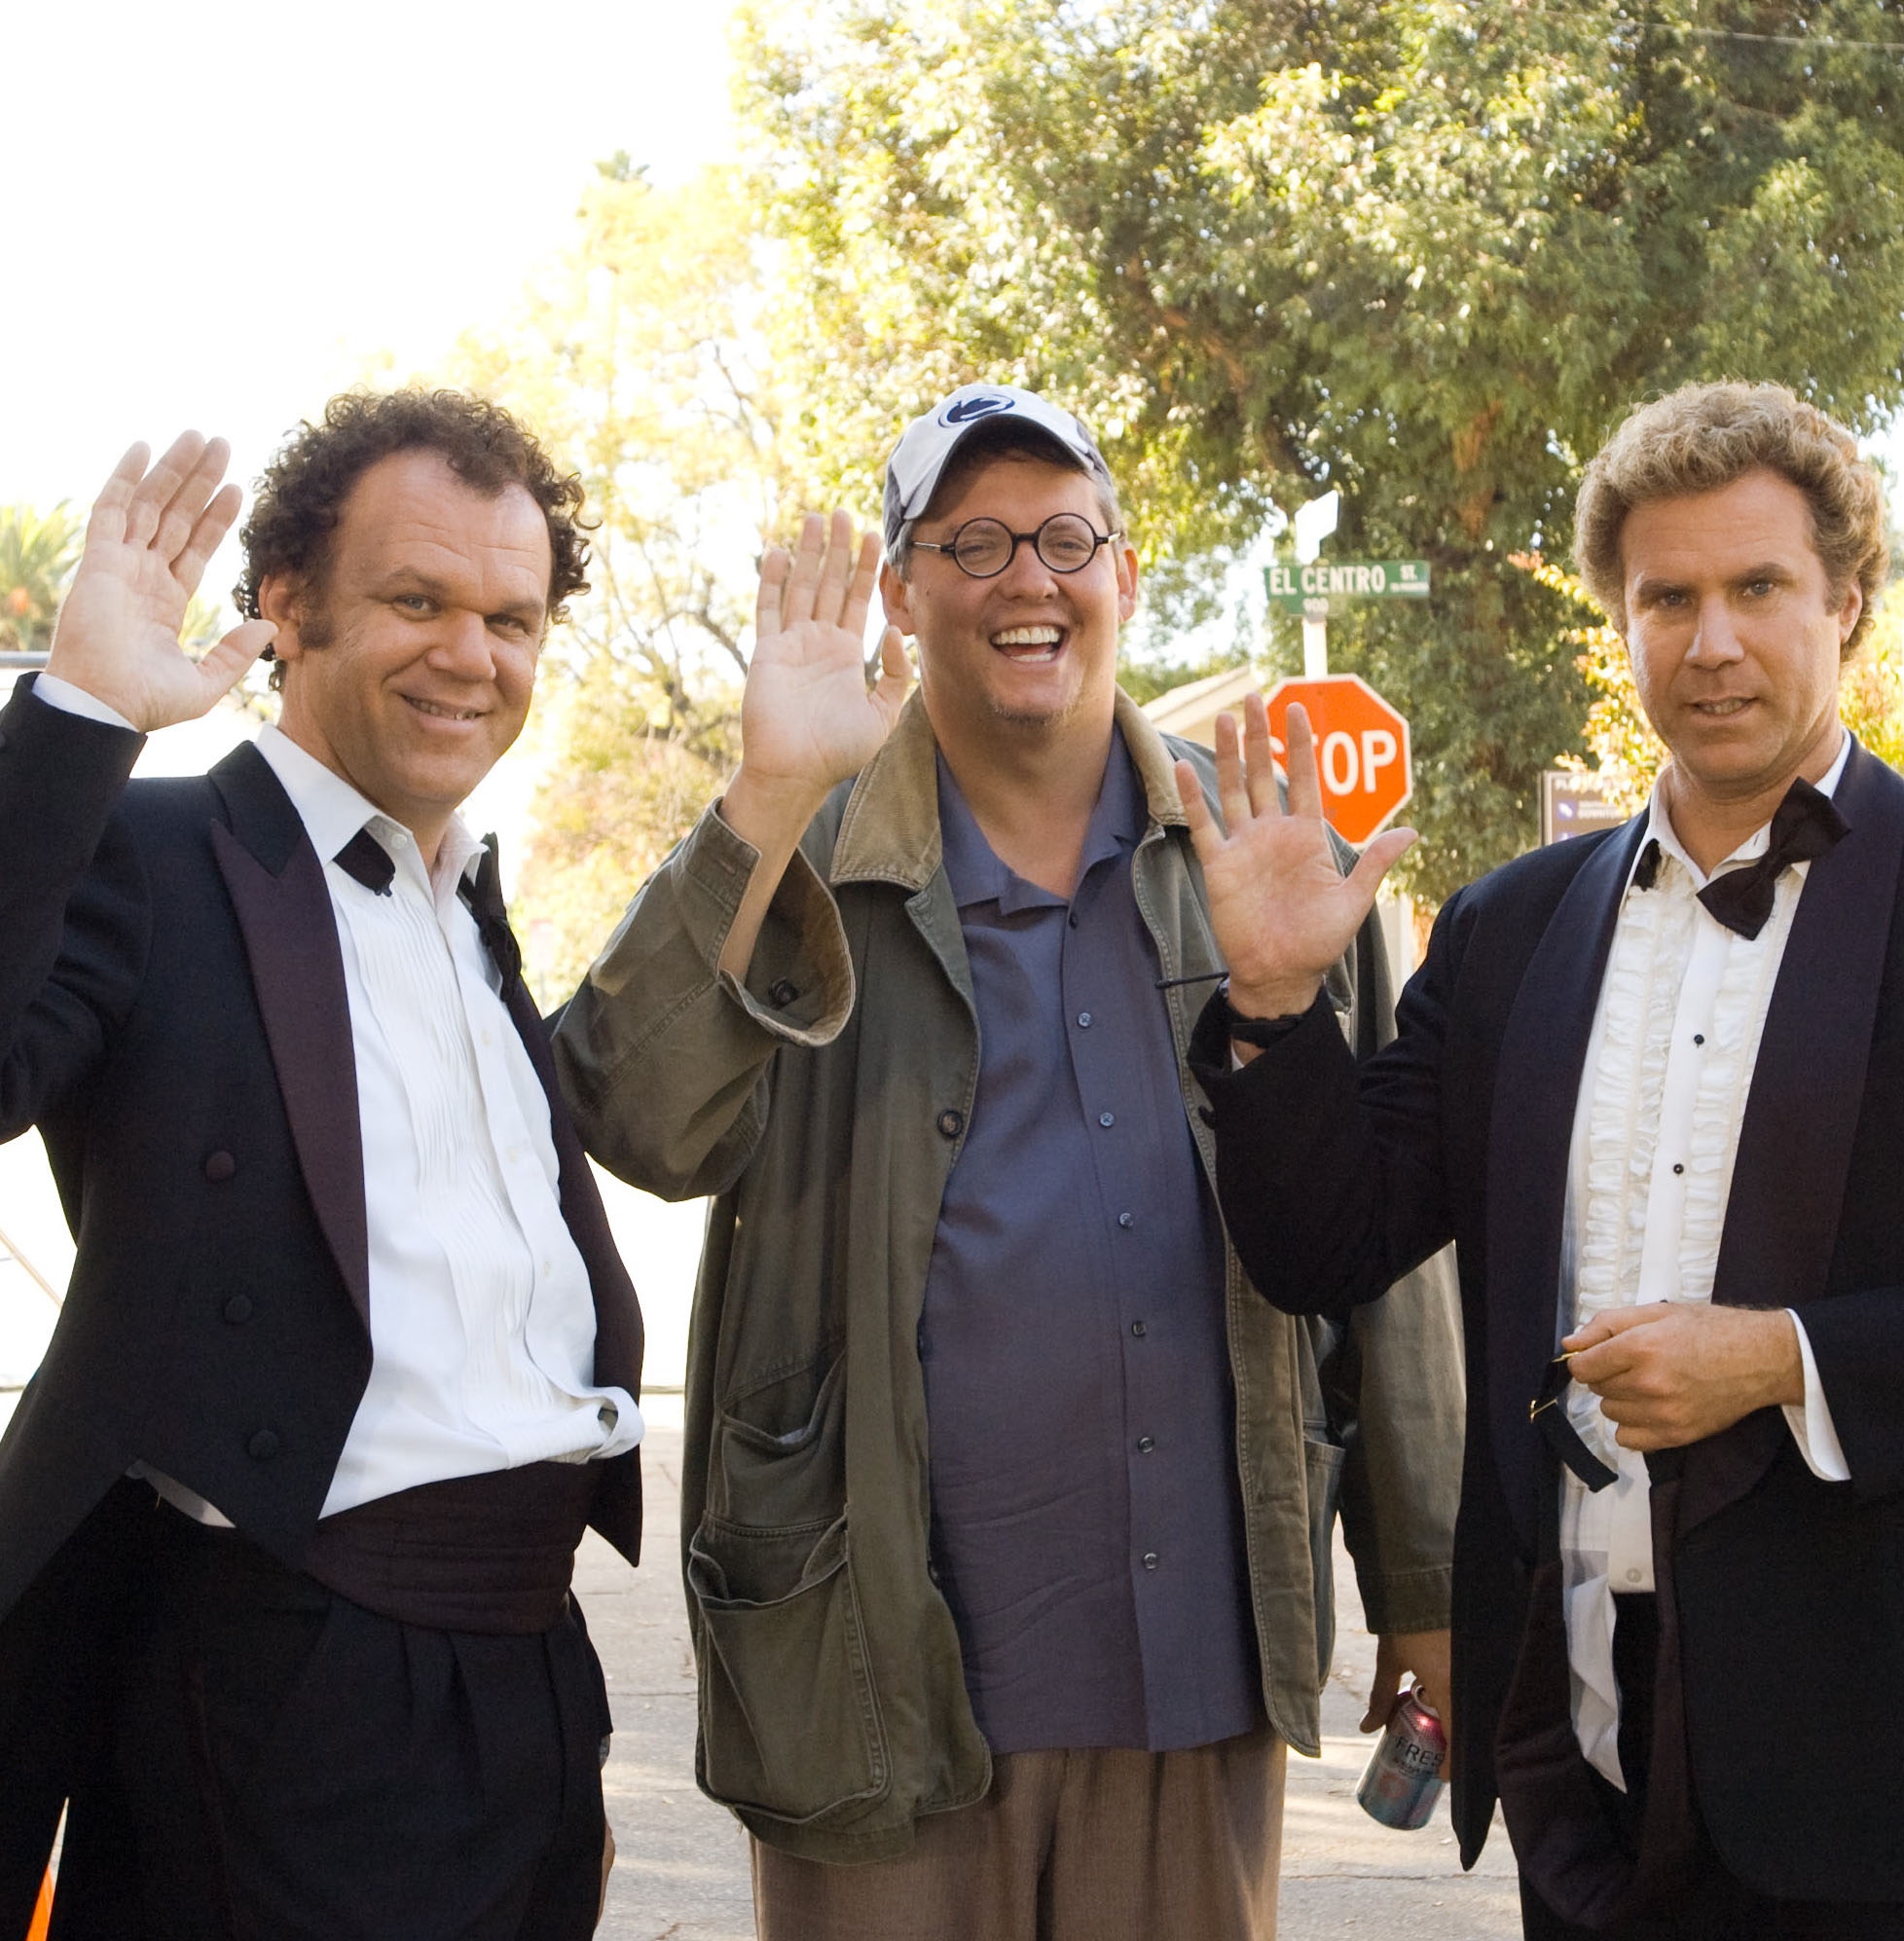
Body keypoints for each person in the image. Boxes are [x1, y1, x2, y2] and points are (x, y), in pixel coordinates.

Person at [1180, 381, 1904, 1939]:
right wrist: (1269, 1001)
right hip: (1585, 1757)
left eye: (1757, 588)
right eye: (1668, 598)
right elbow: (1325, 1241)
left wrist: (1786, 1360)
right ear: (1623, 620)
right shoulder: (1512, 928)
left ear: (1845, 601)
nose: (1711, 639)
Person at [558, 384, 1464, 1941]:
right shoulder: (805, 853)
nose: (1026, 580)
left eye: (1064, 536)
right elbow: (636, 1119)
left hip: (1194, 1659)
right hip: (870, 1666)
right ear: (902, 592)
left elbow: (1387, 1249)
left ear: (1126, 568)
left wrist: (1431, 1581)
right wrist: (766, 798)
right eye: (971, 541)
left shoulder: (1260, 848)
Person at [0, 392, 644, 1941]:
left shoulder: (468, 910)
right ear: (287, 608)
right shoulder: (157, 853)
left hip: (530, 1671)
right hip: (297, 1683)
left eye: (512, 617)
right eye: (417, 599)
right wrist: (78, 714)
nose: (473, 654)